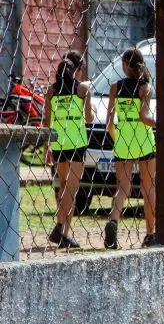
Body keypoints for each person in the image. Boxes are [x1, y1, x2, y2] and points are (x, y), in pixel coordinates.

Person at [104, 48, 156, 249]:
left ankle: (113, 221)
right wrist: (161, 125)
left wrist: (118, 139)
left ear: (126, 66)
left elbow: (109, 122)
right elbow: (144, 118)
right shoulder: (145, 88)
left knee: (123, 188)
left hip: (123, 142)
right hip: (144, 141)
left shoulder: (115, 87)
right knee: (148, 187)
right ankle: (151, 233)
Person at [46, 50, 93, 249]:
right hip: (76, 143)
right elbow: (89, 118)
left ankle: (63, 232)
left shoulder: (51, 90)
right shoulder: (82, 89)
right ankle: (60, 228)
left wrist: (46, 146)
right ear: (77, 70)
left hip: (58, 143)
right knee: (71, 189)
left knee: (64, 186)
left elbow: (47, 121)